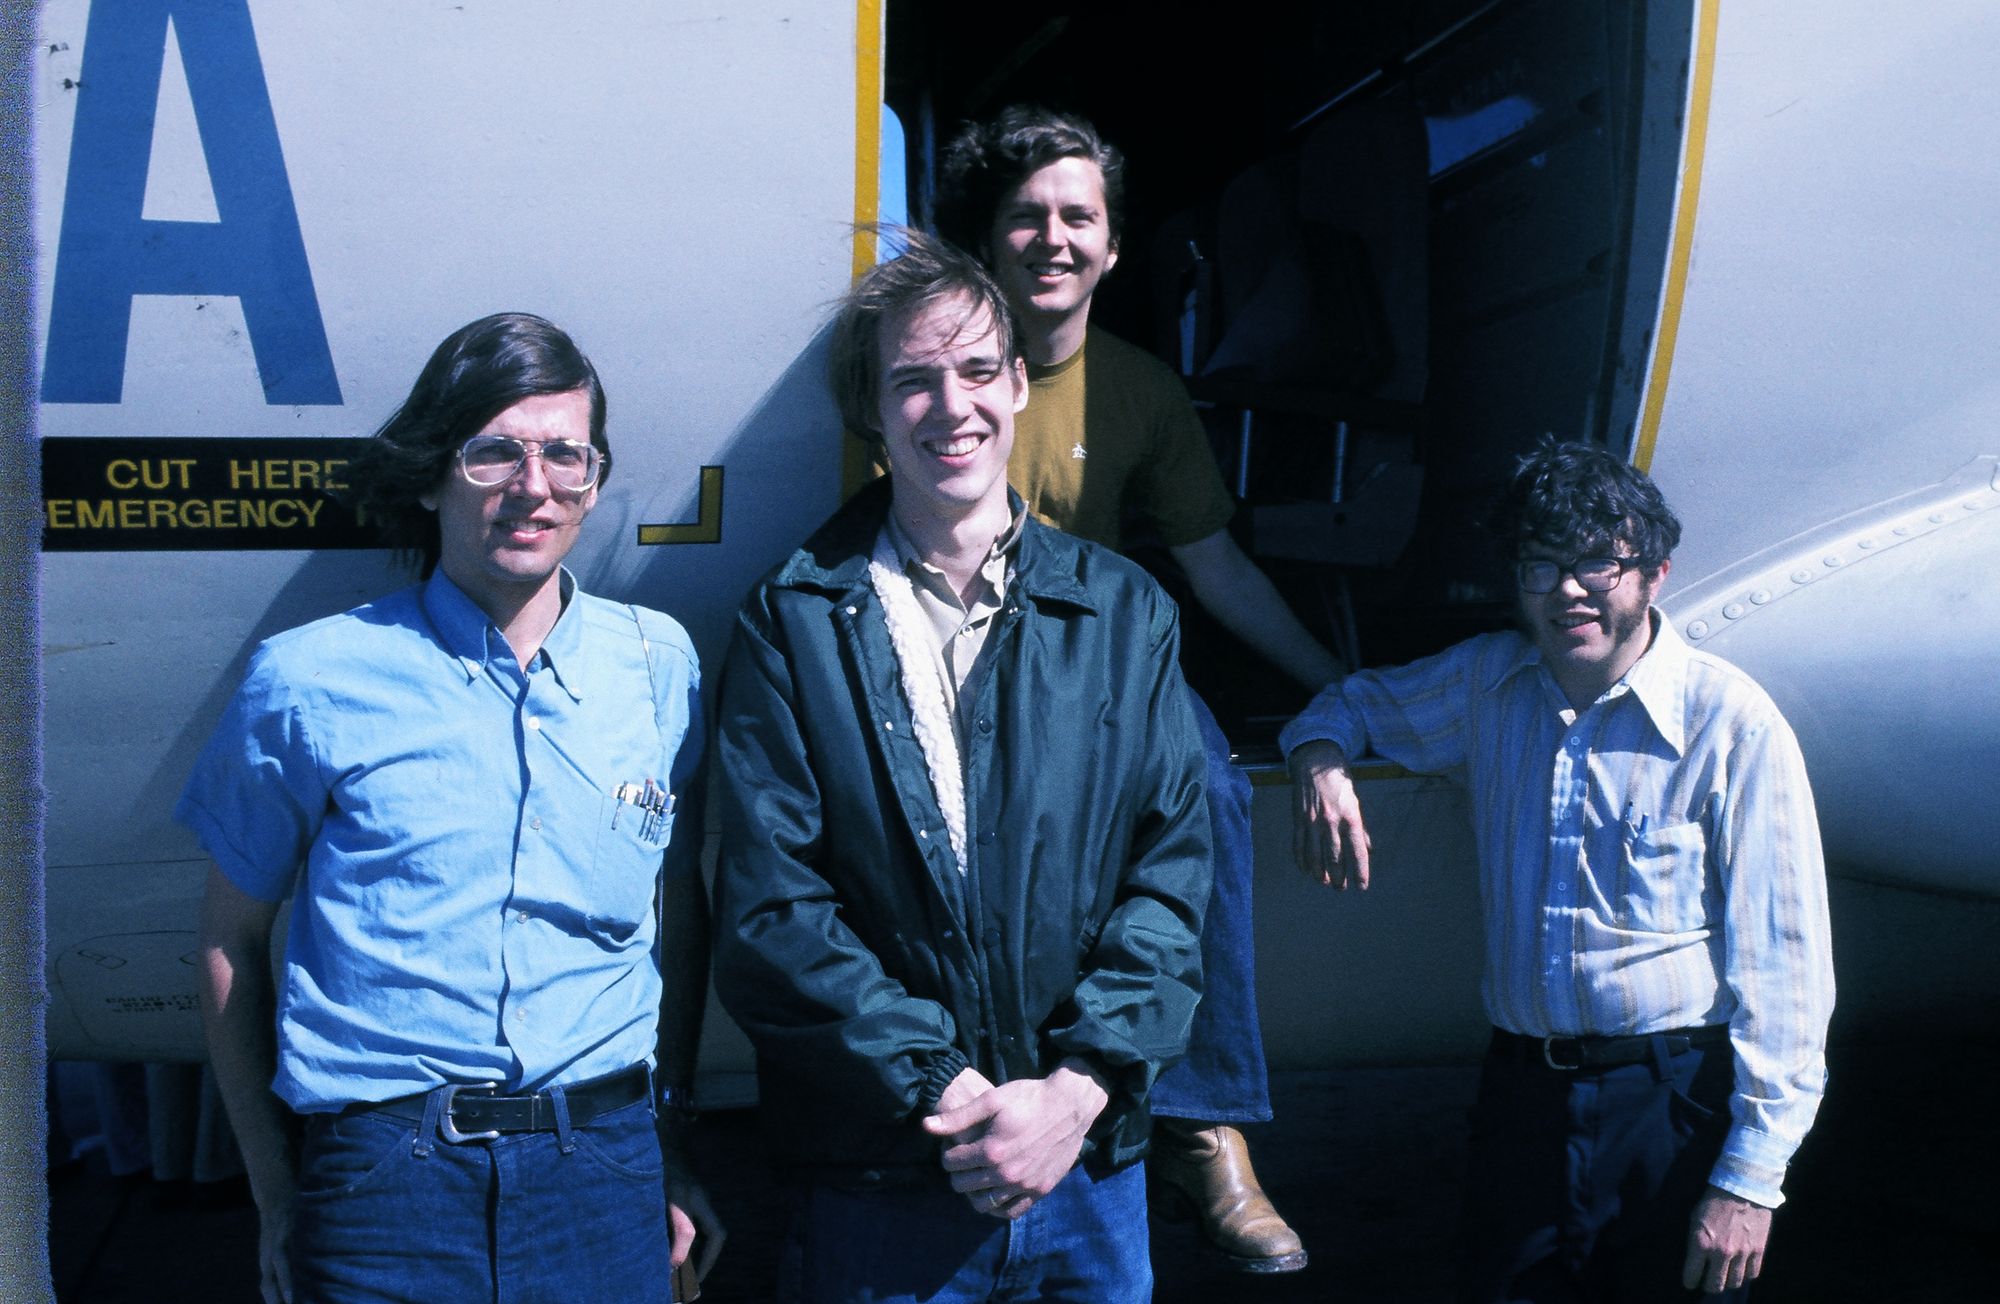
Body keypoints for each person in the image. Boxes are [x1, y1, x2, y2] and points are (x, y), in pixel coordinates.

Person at [710, 230, 1212, 1303]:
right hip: (885, 1183)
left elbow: (1170, 876)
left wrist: (1075, 1092)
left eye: (978, 369)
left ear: (1019, 382)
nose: (952, 406)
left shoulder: (1122, 612)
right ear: (872, 410)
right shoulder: (788, 621)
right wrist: (948, 1087)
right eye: (913, 380)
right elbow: (770, 913)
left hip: (1084, 1174)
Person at [181, 313, 722, 1303]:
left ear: (594, 479)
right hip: (386, 1184)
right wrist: (276, 1189)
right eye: (493, 453)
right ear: (430, 475)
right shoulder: (308, 679)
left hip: (602, 1173)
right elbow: (228, 941)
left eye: (566, 453)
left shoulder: (659, 666)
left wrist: (668, 1143)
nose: (534, 486)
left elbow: (672, 908)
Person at [1285, 439, 1835, 1302]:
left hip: (1672, 1103)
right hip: (1522, 1101)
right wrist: (1320, 764)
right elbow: (1350, 702)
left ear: (1654, 573)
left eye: (1595, 563)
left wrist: (1749, 1181)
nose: (1567, 589)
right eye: (1540, 565)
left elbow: (1789, 972)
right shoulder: (1483, 685)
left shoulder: (1731, 723)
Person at [934, 104, 1334, 1273]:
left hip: (1103, 662)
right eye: (1025, 217)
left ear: (1112, 248)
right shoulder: (936, 368)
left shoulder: (1144, 392)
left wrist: (1338, 685)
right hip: (949, 649)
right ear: (987, 241)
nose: (1051, 238)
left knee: (1207, 779)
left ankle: (1202, 1123)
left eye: (1077, 217)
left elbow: (1213, 568)